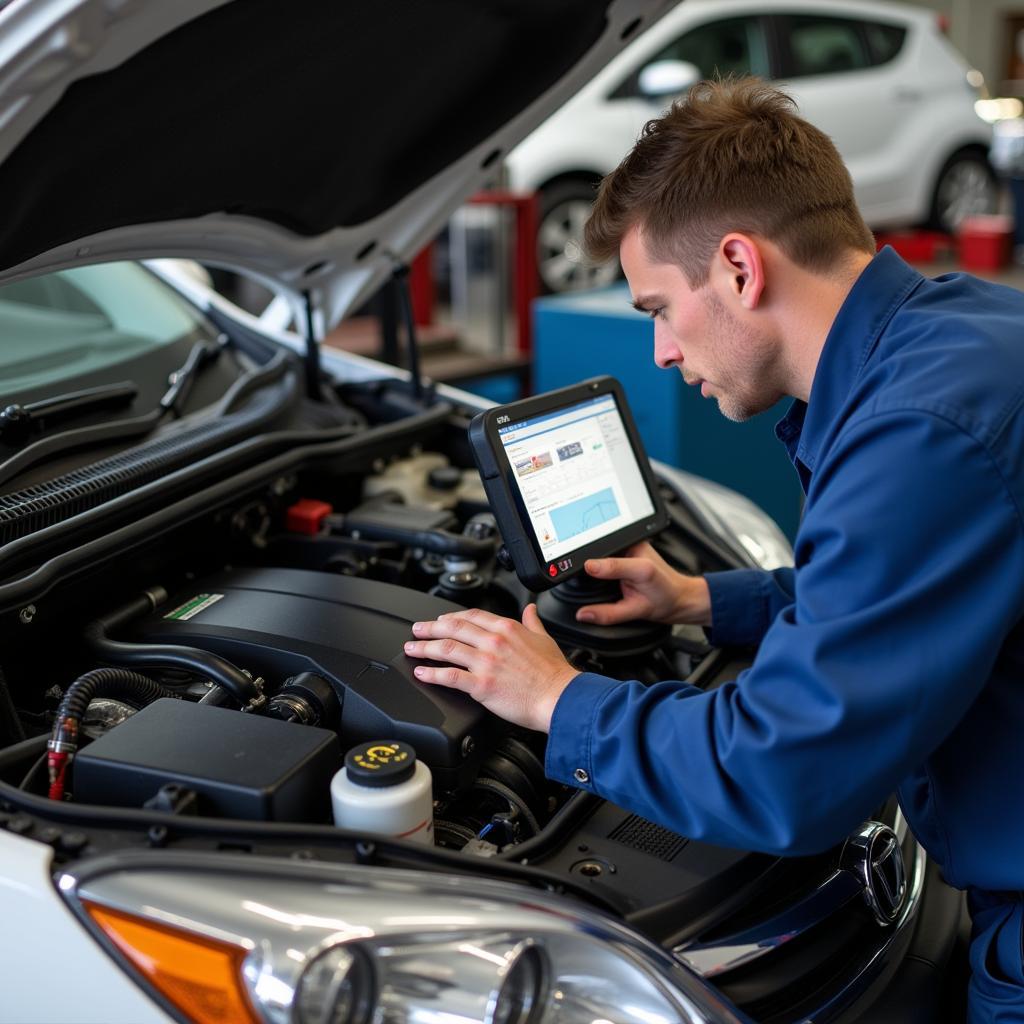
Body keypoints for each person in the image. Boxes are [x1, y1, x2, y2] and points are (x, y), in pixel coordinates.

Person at [403, 79, 1024, 1021]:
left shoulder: (919, 432)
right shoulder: (960, 329)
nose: (658, 350)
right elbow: (904, 590)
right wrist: (700, 599)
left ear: (739, 266)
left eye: (657, 306)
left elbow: (787, 775)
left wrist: (556, 699)